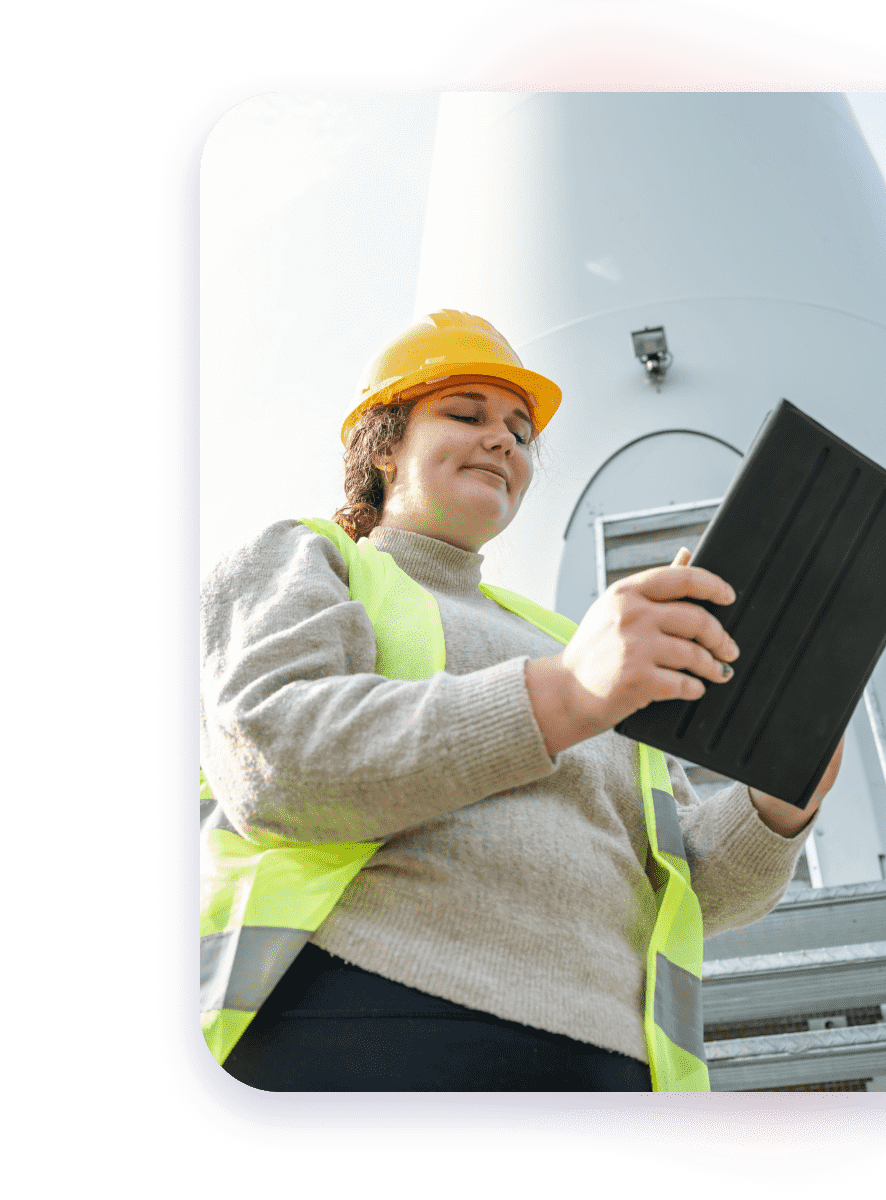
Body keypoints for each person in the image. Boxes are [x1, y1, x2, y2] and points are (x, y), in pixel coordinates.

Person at [199, 309, 843, 1092]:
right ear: (385, 446)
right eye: (466, 415)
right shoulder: (310, 560)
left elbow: (687, 882)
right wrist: (567, 694)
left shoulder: (570, 641)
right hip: (368, 1019)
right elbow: (276, 757)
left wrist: (779, 800)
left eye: (519, 428)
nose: (504, 439)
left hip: (613, 1064)